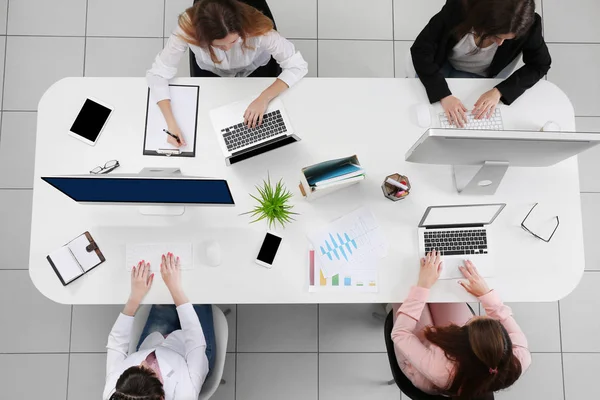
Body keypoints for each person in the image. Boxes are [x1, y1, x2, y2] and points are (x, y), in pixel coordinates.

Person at [146, 0, 308, 147]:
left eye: (233, 41)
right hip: (211, 71)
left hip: (256, 68)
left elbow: (297, 66)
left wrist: (263, 98)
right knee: (208, 128)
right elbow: (158, 74)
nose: (227, 49)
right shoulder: (187, 29)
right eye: (218, 46)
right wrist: (171, 123)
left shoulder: (259, 30)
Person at [391, 250, 531, 398]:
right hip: (455, 355)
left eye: (470, 322)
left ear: (462, 340)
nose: (477, 315)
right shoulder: (520, 358)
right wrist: (486, 295)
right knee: (446, 288)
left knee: (406, 291)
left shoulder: (441, 370)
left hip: (426, 371)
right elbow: (502, 316)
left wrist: (422, 287)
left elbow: (400, 333)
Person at [411, 0, 551, 127]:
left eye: (506, 39)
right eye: (496, 36)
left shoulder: (529, 26)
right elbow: (421, 49)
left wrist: (499, 91)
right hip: (442, 61)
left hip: (477, 75)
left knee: (462, 118)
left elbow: (540, 64)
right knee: (419, 105)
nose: (500, 43)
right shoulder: (459, 6)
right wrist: (443, 94)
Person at [103, 253, 216, 400]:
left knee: (161, 291)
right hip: (192, 353)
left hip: (155, 342)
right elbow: (195, 341)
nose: (142, 362)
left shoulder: (116, 395)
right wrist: (176, 290)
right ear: (161, 397)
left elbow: (116, 345)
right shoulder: (185, 395)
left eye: (135, 367)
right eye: (149, 370)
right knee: (196, 287)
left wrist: (135, 297)